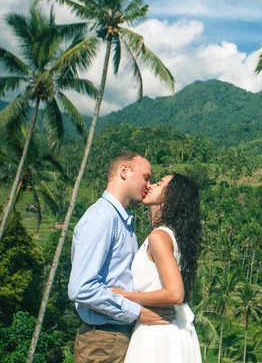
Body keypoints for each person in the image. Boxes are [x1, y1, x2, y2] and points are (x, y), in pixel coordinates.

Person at [69, 151, 175, 363]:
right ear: (124, 171)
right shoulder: (103, 218)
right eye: (146, 177)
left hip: (116, 336)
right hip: (103, 339)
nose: (148, 184)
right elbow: (81, 287)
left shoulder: (122, 222)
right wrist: (137, 312)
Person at [113, 173, 203, 362]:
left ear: (171, 196)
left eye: (159, 183)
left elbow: (175, 293)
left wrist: (126, 297)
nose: (151, 185)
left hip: (159, 334)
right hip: (170, 328)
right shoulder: (171, 235)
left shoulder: (160, 237)